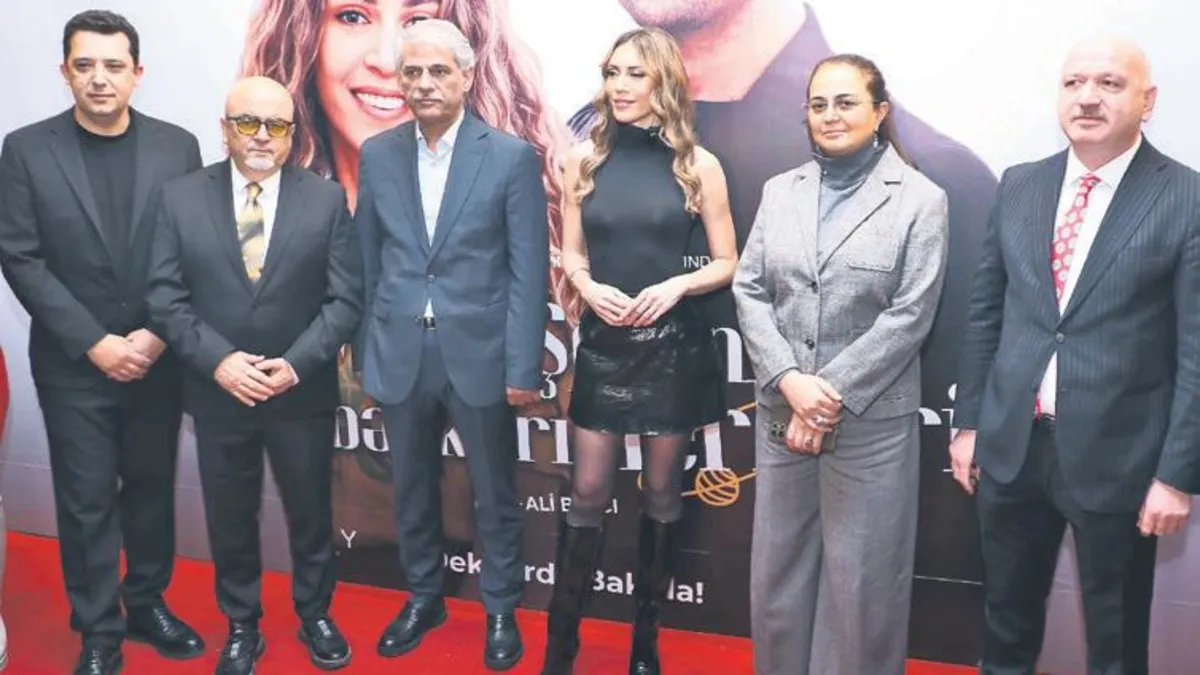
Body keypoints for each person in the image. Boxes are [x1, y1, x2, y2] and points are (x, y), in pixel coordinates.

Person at [952, 35, 1200, 675]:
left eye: (1110, 84)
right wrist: (969, 423)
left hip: (1121, 460)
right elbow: (985, 313)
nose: (1088, 98)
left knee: (1116, 648)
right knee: (1005, 632)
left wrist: (1176, 475)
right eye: (1074, 83)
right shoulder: (1021, 184)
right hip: (1011, 449)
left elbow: (1197, 350)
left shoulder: (1187, 196)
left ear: (1147, 100)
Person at [0, 10, 205, 674]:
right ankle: (98, 629)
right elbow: (20, 255)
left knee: (150, 486)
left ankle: (145, 601)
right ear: (64, 71)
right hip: (73, 362)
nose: (99, 78)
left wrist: (154, 333)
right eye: (84, 65)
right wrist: (95, 342)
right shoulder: (25, 149)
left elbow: (191, 249)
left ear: (137, 73)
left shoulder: (178, 146)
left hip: (156, 357)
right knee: (86, 499)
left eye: (113, 65)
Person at [733, 54, 948, 675]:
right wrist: (790, 382)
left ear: (880, 112)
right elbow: (749, 289)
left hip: (868, 426)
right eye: (819, 104)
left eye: (846, 102)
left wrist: (824, 395)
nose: (830, 115)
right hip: (782, 417)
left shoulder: (920, 199)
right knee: (777, 578)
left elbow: (910, 314)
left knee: (863, 586)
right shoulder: (781, 191)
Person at [146, 76, 362, 675]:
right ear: (225, 129)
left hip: (301, 393)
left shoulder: (325, 199)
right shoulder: (180, 198)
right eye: (248, 123)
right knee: (231, 516)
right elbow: (165, 297)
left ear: (293, 134)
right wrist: (219, 361)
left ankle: (316, 614)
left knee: (311, 514)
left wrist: (296, 364)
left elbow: (346, 299)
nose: (262, 136)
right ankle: (242, 624)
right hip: (220, 392)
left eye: (276, 125)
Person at [354, 18, 549, 671]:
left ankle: (501, 609)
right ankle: (424, 597)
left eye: (439, 70)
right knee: (410, 486)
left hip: (481, 355)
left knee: (494, 491)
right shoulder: (378, 155)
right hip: (401, 351)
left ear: (466, 77)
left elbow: (528, 271)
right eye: (412, 71)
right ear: (399, 80)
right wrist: (368, 355)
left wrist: (523, 365)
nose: (424, 83)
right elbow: (368, 264)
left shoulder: (510, 157)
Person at [543, 27, 736, 675]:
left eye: (635, 74)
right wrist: (588, 286)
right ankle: (561, 644)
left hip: (673, 348)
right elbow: (572, 252)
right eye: (612, 72)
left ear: (663, 81)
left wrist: (678, 284)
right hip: (604, 343)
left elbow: (727, 261)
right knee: (587, 491)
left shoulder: (698, 165)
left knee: (661, 493)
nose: (620, 86)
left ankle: (644, 642)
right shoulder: (583, 159)